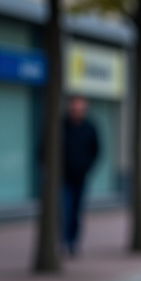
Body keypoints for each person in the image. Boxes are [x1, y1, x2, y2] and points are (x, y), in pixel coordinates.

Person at [61, 96, 99, 258]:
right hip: (62, 178)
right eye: (74, 108)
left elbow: (96, 150)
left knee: (76, 211)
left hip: (80, 177)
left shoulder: (89, 127)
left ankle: (73, 242)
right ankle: (62, 241)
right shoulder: (61, 125)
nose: (77, 111)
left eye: (80, 109)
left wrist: (86, 168)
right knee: (64, 210)